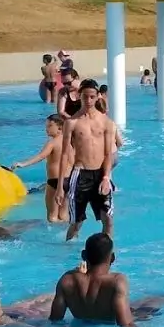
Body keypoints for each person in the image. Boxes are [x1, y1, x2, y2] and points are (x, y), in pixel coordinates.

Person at [49, 233, 164, 327]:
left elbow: (55, 320)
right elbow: (126, 323)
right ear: (112, 258)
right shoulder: (116, 281)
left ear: (83, 255)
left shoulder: (67, 281)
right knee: (147, 306)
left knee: (137, 304)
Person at [55, 79, 118, 240]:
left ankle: (107, 252)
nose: (88, 101)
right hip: (80, 174)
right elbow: (64, 154)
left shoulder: (107, 122)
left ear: (97, 97)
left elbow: (108, 153)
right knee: (77, 222)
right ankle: (68, 251)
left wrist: (106, 177)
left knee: (108, 220)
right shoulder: (72, 123)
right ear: (79, 96)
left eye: (92, 97)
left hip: (101, 174)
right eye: (85, 97)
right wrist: (60, 187)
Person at [11, 114, 67, 222]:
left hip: (55, 181)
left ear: (60, 128)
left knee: (52, 217)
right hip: (69, 180)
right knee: (64, 215)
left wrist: (23, 164)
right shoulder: (71, 142)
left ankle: (54, 233)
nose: (46, 129)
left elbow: (41, 156)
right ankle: (68, 231)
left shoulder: (52, 142)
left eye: (50, 126)